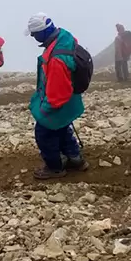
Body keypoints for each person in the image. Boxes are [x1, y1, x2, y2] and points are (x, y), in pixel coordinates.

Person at [26, 14, 89, 179]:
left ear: (42, 33)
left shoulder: (56, 59)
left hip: (61, 102)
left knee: (44, 132)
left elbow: (57, 96)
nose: (33, 37)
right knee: (62, 128)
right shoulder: (64, 39)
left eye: (34, 34)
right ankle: (76, 160)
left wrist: (42, 110)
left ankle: (54, 168)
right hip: (71, 100)